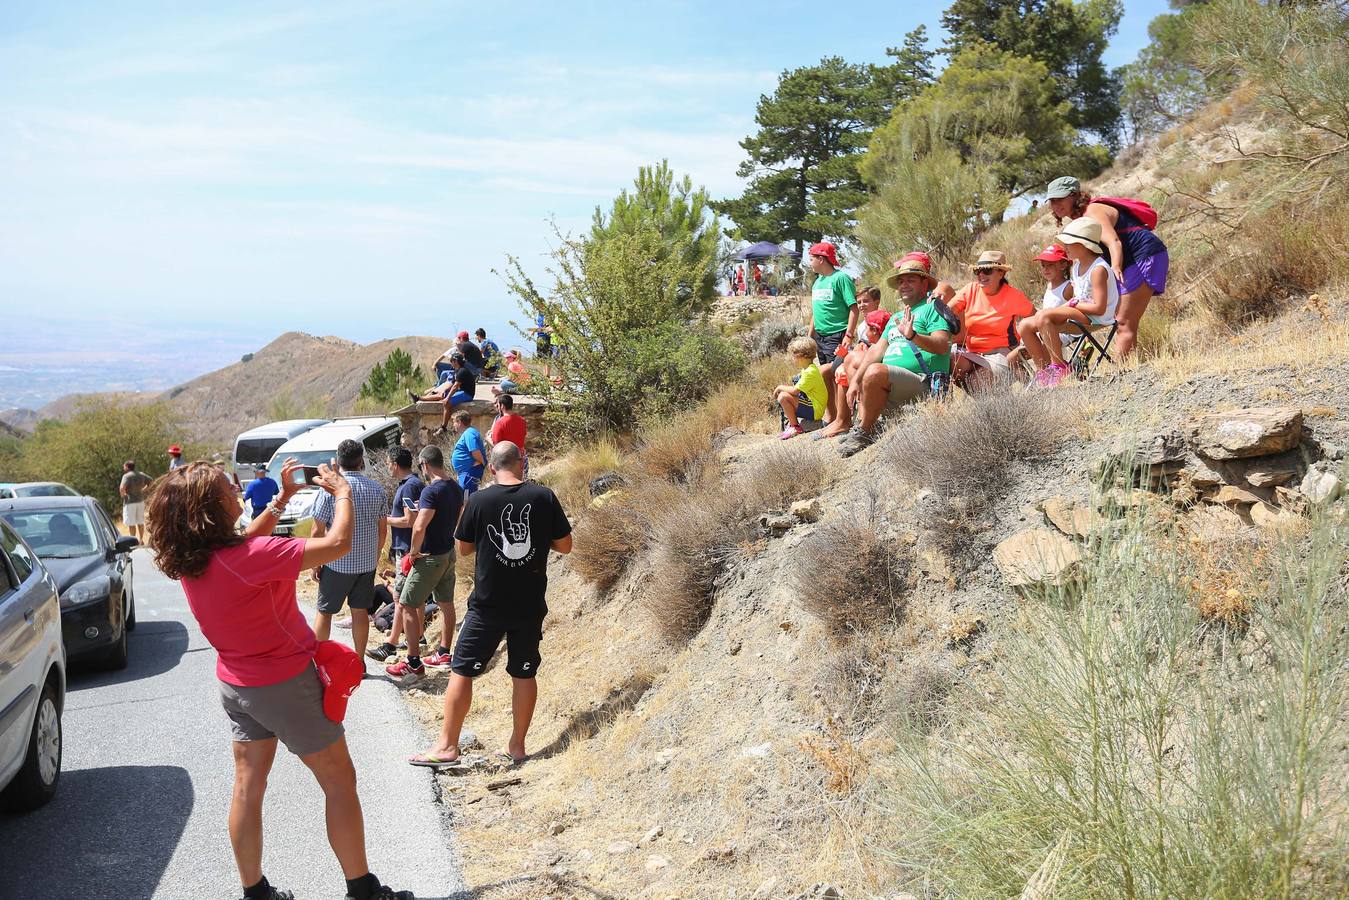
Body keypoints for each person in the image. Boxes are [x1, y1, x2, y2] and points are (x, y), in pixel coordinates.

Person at [144, 459, 413, 900]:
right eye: (227, 489)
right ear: (212, 507)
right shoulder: (256, 557)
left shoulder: (196, 560)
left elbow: (245, 542)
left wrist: (283, 499)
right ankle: (363, 891)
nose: (237, 491)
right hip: (286, 684)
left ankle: (256, 893)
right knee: (339, 782)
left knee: (249, 787)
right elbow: (340, 542)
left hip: (237, 685)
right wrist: (343, 493)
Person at [409, 441, 571, 768]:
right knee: (524, 673)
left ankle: (447, 747)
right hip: (529, 605)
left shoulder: (480, 500)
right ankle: (518, 747)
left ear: (492, 468)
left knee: (461, 671)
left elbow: (464, 549)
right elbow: (565, 546)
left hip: (487, 605)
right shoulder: (543, 497)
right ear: (522, 461)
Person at [838, 254, 958, 457]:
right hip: (893, 384)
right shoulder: (896, 316)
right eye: (901, 281)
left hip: (923, 382)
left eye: (911, 280)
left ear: (924, 283)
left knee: (875, 371)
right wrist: (856, 381)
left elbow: (942, 346)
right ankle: (864, 424)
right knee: (859, 363)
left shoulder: (933, 310)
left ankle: (865, 432)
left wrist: (912, 335)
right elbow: (876, 351)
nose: (904, 285)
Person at [1047, 176, 1167, 359]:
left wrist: (1115, 268)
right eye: (1052, 201)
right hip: (1126, 260)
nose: (1056, 205)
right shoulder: (1077, 220)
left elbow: (1114, 242)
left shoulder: (1092, 211)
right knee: (1113, 318)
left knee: (1124, 321)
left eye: (1060, 199)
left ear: (1074, 195)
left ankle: (1122, 373)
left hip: (1142, 256)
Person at [385, 445, 463, 683]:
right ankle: (443, 653)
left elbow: (419, 526)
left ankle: (413, 662)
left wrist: (414, 553)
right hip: (448, 552)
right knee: (446, 602)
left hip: (429, 557)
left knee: (408, 604)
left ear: (425, 464)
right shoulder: (456, 488)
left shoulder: (432, 491)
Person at [309, 440, 388, 660]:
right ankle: (359, 662)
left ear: (338, 461)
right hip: (366, 564)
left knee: (324, 612)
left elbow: (317, 531)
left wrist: (316, 563)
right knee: (360, 612)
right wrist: (374, 556)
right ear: (361, 460)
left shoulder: (329, 490)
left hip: (336, 562)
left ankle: (319, 662)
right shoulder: (377, 489)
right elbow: (382, 530)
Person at [1023, 218, 1120, 387]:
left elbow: (1099, 308)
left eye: (1068, 243)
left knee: (1044, 317)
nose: (1064, 247)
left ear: (1083, 245)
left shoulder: (1098, 269)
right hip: (1081, 313)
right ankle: (1044, 371)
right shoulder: (1076, 267)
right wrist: (1072, 304)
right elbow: (1078, 298)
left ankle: (1060, 366)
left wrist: (1073, 304)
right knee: (1024, 325)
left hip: (1096, 317)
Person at [948, 250, 1034, 390]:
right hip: (972, 353)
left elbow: (1035, 320)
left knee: (976, 382)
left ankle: (997, 397)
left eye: (987, 270)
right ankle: (994, 396)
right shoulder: (970, 290)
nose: (981, 275)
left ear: (1001, 273)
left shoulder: (1013, 295)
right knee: (950, 363)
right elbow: (947, 311)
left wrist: (1026, 348)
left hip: (1001, 354)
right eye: (978, 271)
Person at [368, 448, 424, 663]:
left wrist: (384, 519)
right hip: (410, 548)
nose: (388, 467)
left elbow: (410, 520)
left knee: (400, 597)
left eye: (389, 463)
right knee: (413, 597)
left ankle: (389, 645)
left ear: (394, 463)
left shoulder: (409, 486)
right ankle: (418, 637)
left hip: (408, 549)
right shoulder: (412, 484)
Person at [806, 242, 858, 434]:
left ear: (821, 259)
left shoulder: (841, 278)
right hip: (820, 337)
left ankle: (842, 419)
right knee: (825, 377)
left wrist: (849, 335)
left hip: (838, 335)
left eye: (811, 258)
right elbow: (815, 311)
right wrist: (810, 336)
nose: (809, 262)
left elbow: (853, 308)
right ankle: (832, 416)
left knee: (838, 375)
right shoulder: (817, 282)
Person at [1010, 244, 1075, 379]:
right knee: (1012, 357)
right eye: (1043, 265)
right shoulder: (1049, 285)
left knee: (1042, 340)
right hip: (1048, 329)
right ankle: (1044, 372)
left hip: (1064, 330)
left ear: (1063, 265)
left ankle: (1054, 370)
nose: (1045, 269)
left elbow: (1075, 309)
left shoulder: (1068, 287)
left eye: (1050, 265)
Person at [773, 336, 828, 440]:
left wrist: (780, 387)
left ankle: (795, 427)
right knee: (785, 394)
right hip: (814, 407)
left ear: (801, 356)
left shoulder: (810, 372)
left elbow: (795, 391)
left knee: (783, 397)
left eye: (794, 355)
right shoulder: (809, 369)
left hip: (815, 410)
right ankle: (793, 425)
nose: (793, 358)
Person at [409, 354, 476, 435]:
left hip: (467, 394)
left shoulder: (462, 371)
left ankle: (443, 427)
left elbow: (455, 386)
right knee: (442, 395)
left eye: (452, 361)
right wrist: (445, 391)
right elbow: (452, 384)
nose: (451, 363)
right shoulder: (458, 371)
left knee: (447, 403)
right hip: (462, 391)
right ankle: (419, 398)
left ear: (456, 362)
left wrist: (448, 397)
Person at [489, 394, 528, 476]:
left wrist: (487, 438)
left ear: (502, 406)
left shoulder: (500, 422)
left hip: (506, 461)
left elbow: (496, 445)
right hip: (520, 457)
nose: (497, 407)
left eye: (498, 405)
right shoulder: (522, 420)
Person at [450, 410, 487, 497]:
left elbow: (475, 451)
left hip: (469, 474)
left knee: (466, 501)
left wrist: (482, 463)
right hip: (466, 473)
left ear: (459, 422)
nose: (453, 425)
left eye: (454, 422)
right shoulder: (469, 433)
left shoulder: (469, 433)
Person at [118, 461, 153, 544]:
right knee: (140, 521)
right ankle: (141, 540)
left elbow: (122, 488)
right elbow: (151, 481)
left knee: (131, 523)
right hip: (140, 501)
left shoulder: (126, 476)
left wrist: (123, 496)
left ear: (127, 467)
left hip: (130, 502)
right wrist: (144, 490)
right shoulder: (141, 474)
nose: (123, 467)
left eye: (124, 466)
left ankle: (133, 540)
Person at [527, 314, 554, 379]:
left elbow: (549, 328)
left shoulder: (547, 314)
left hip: (547, 337)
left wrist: (536, 329)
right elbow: (540, 326)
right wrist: (534, 331)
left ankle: (547, 375)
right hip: (540, 337)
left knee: (547, 357)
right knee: (541, 357)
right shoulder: (539, 315)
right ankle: (544, 374)